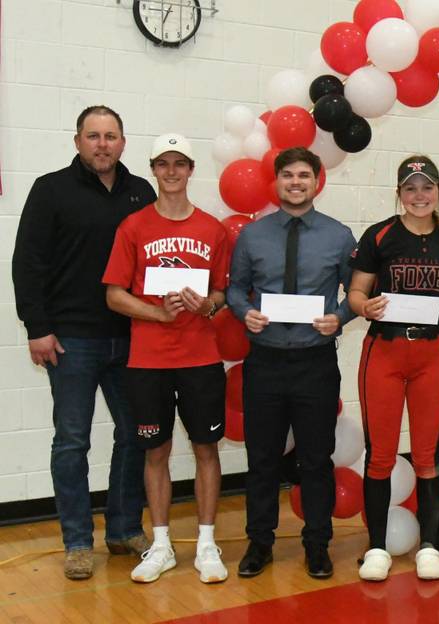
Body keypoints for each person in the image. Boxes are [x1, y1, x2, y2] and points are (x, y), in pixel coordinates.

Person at [12, 105, 156, 580]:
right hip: (70, 339)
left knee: (135, 435)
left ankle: (122, 529)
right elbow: (27, 263)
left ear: (122, 142)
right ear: (78, 141)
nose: (102, 144)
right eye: (92, 136)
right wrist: (37, 327)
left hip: (131, 339)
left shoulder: (141, 192)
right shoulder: (50, 189)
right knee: (71, 441)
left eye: (110, 135)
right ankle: (77, 541)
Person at [103, 134, 230, 584]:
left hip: (200, 357)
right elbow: (115, 295)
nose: (172, 172)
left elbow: (221, 292)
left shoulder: (212, 229)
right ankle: (160, 544)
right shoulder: (133, 227)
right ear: (153, 170)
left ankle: (207, 542)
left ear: (191, 169)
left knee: (205, 448)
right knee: (155, 452)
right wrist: (157, 312)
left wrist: (208, 305)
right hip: (149, 360)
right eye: (163, 164)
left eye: (180, 163)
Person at [228, 147, 356, 580]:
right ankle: (259, 542)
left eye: (304, 174)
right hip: (263, 362)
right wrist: (243, 311)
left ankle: (317, 544)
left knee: (316, 460)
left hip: (314, 363)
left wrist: (339, 316)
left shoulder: (339, 236)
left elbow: (355, 294)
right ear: (276, 182)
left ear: (317, 181)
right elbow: (234, 290)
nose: (296, 182)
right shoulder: (252, 235)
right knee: (261, 458)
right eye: (287, 175)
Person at [349, 155, 439, 582]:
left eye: (427, 187)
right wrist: (365, 305)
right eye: (411, 188)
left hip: (432, 354)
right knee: (380, 455)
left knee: (427, 456)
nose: (420, 195)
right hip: (384, 352)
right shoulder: (380, 235)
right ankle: (377, 546)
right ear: (399, 193)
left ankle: (429, 546)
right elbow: (356, 291)